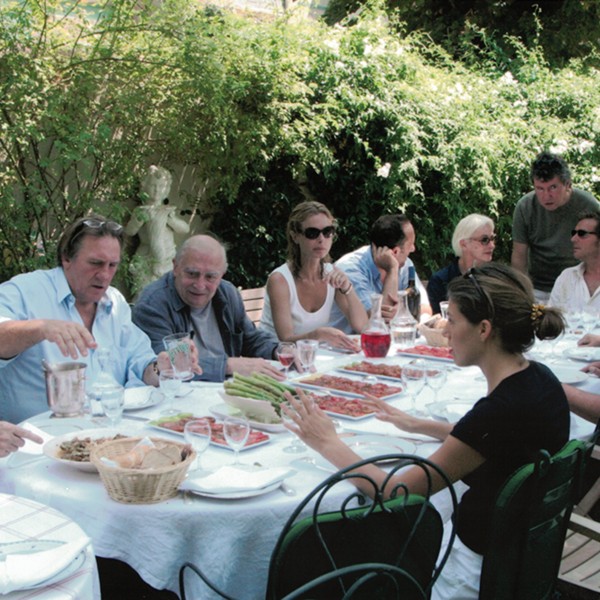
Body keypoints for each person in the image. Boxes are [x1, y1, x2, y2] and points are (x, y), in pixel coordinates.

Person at [285, 263, 569, 598]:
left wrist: (327, 442)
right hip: (523, 559)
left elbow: (396, 493)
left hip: (474, 575)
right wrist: (417, 424)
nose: (445, 330)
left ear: (484, 329)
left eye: (454, 319)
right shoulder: (541, 380)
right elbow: (491, 440)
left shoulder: (497, 412)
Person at [0, 214, 186, 424]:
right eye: (95, 263)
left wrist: (161, 368)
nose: (104, 275)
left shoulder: (114, 302)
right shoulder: (26, 291)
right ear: (66, 258)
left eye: (112, 265)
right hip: (39, 441)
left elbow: (140, 361)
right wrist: (40, 328)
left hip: (110, 436)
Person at [133, 234, 283, 382]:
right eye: (192, 274)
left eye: (210, 276)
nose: (200, 285)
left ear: (221, 275)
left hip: (230, 390)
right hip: (182, 397)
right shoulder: (153, 304)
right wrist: (228, 365)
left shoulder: (227, 293)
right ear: (175, 267)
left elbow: (250, 339)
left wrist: (278, 350)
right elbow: (165, 365)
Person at [259, 201, 367, 350]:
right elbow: (285, 340)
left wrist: (347, 288)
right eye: (312, 233)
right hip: (274, 358)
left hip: (311, 357)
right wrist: (318, 335)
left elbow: (362, 326)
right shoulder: (280, 280)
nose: (321, 239)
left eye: (327, 231)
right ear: (295, 236)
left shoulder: (331, 274)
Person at [511, 151, 598, 302]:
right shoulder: (525, 207)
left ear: (568, 185)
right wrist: (521, 293)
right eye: (540, 188)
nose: (546, 196)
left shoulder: (589, 206)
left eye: (553, 188)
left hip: (576, 283)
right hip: (537, 286)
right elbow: (519, 255)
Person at [329, 214, 431, 332]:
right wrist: (392, 270)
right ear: (395, 252)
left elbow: (425, 309)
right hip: (341, 346)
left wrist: (403, 311)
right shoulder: (350, 269)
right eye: (411, 244)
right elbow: (377, 323)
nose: (414, 249)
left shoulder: (406, 264)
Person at [125, 165, 191, 295]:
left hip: (167, 257)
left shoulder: (167, 211)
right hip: (146, 258)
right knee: (144, 293)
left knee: (167, 294)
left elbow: (185, 229)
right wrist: (139, 220)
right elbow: (129, 231)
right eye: (153, 186)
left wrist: (172, 221)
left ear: (166, 189)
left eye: (161, 187)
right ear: (144, 187)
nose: (157, 190)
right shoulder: (140, 211)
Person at [427, 214, 495, 315]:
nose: (492, 245)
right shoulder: (440, 282)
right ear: (463, 244)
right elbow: (435, 323)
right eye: (484, 240)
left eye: (492, 238)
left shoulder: (496, 279)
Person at [549, 210, 600, 312]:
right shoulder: (566, 277)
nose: (573, 239)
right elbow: (551, 322)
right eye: (574, 233)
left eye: (582, 233)